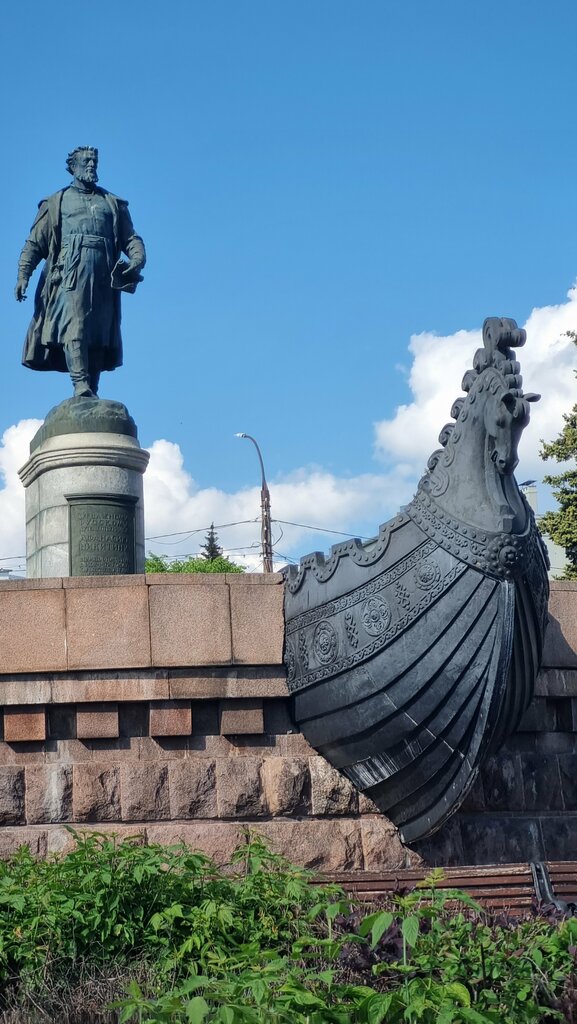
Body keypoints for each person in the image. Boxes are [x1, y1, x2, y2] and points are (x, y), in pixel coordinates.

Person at [15, 147, 146, 398]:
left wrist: (138, 257)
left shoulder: (112, 203)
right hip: (71, 272)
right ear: (72, 167)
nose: (91, 165)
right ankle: (80, 384)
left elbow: (131, 238)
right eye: (86, 161)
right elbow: (35, 243)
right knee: (76, 325)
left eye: (94, 161)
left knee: (99, 331)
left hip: (104, 274)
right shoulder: (58, 202)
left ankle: (91, 391)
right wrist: (24, 274)